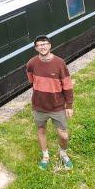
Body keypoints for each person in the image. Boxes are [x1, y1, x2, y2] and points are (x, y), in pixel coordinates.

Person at [26, 35, 74, 170]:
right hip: (39, 106)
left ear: (50, 45)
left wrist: (69, 105)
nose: (43, 46)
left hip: (57, 106)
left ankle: (63, 152)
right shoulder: (31, 63)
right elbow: (31, 81)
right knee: (41, 130)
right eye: (39, 45)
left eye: (45, 44)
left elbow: (67, 85)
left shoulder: (60, 63)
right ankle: (45, 155)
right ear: (36, 48)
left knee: (63, 134)